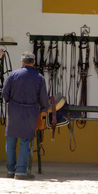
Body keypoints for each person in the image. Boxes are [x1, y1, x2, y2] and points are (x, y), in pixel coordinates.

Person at [2, 51, 48, 179]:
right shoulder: (39, 78)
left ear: (22, 62)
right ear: (33, 62)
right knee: (25, 141)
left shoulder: (13, 75)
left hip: (13, 111)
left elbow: (5, 94)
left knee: (10, 141)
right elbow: (43, 98)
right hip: (30, 113)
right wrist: (44, 109)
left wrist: (11, 102)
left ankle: (11, 171)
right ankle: (21, 171)